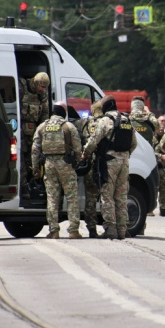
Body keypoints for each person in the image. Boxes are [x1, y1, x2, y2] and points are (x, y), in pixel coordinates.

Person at [82, 95, 137, 240]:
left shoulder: (105, 121)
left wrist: (85, 154)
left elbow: (93, 141)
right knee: (121, 197)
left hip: (109, 163)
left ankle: (111, 229)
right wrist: (125, 155)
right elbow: (134, 143)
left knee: (107, 196)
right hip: (124, 163)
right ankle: (122, 230)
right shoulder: (127, 120)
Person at [32, 101, 82, 239]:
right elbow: (78, 148)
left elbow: (35, 149)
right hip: (66, 164)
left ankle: (54, 231)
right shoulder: (69, 127)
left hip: (48, 164)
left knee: (52, 198)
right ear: (63, 112)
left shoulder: (42, 127)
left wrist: (35, 168)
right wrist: (78, 161)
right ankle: (73, 231)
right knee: (71, 198)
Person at [70, 100, 104, 238]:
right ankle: (111, 226)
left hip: (90, 164)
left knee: (90, 198)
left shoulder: (84, 122)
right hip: (104, 164)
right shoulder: (107, 122)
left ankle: (92, 229)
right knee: (108, 197)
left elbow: (71, 124)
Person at [19, 72, 50, 198]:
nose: (43, 90)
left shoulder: (42, 94)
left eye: (44, 88)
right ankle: (23, 187)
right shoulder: (22, 87)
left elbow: (45, 113)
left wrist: (42, 130)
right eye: (41, 87)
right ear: (36, 83)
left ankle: (31, 185)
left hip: (33, 132)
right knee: (20, 162)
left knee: (31, 161)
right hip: (20, 130)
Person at [154, 115, 165, 217]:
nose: (162, 124)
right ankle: (150, 209)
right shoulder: (152, 138)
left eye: (164, 122)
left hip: (164, 169)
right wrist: (161, 156)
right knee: (154, 189)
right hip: (154, 168)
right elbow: (149, 152)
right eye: (161, 121)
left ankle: (163, 209)